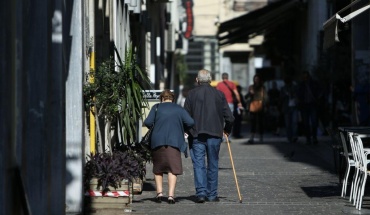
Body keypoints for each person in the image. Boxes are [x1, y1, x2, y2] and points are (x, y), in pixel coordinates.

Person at [184, 69, 234, 203]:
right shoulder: (219, 94)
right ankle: (212, 194)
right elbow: (229, 117)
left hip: (197, 134)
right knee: (213, 163)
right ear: (210, 79)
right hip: (214, 134)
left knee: (199, 164)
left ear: (197, 80)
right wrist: (227, 130)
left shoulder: (191, 94)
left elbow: (185, 116)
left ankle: (201, 193)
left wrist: (188, 130)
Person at [144, 89, 195, 204]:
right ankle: (171, 196)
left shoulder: (156, 107)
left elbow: (147, 122)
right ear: (172, 99)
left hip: (157, 141)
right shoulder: (179, 109)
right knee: (173, 169)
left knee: (158, 169)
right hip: (174, 141)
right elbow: (191, 122)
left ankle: (159, 193)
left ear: (162, 98)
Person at [297, 71, 321, 145]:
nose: (305, 78)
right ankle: (309, 138)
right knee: (306, 123)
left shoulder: (313, 83)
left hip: (312, 105)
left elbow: (318, 92)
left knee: (313, 122)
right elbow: (299, 95)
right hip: (305, 106)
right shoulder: (302, 85)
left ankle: (313, 137)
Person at [245, 74, 267, 144]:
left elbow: (265, 97)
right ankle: (252, 137)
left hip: (260, 105)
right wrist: (250, 93)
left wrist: (265, 105)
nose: (256, 80)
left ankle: (261, 137)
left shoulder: (262, 87)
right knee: (253, 122)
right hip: (253, 105)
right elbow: (246, 97)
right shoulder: (251, 87)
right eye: (255, 79)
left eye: (257, 79)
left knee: (261, 122)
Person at [280, 77, 299, 143]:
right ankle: (289, 137)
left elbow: (298, 95)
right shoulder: (283, 89)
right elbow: (281, 98)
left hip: (294, 106)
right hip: (286, 107)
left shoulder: (295, 87)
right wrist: (286, 95)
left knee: (294, 122)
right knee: (288, 123)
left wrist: (294, 95)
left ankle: (294, 136)